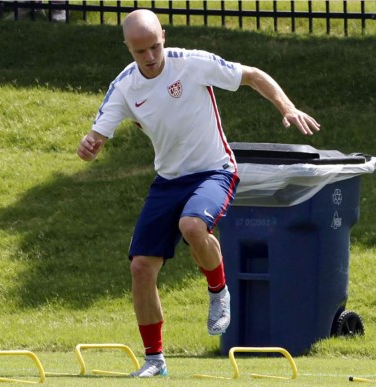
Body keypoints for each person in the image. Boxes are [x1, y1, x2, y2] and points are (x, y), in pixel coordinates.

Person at [76, 9, 320, 378]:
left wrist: (287, 107)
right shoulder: (125, 86)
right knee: (141, 268)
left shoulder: (192, 64)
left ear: (164, 37)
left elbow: (251, 76)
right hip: (168, 180)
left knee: (192, 225)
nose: (151, 57)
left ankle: (218, 290)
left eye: (155, 47)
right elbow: (99, 133)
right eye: (140, 51)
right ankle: (155, 360)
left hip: (214, 170)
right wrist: (90, 144)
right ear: (127, 47)